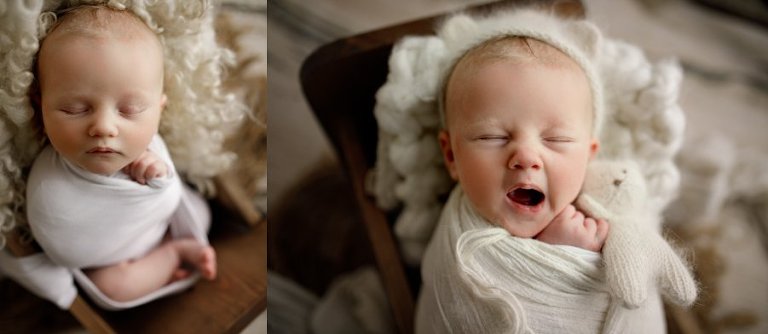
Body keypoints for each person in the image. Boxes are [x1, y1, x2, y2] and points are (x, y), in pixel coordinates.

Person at [26, 5, 216, 303]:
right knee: (113, 287)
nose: (103, 127)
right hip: (110, 261)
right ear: (40, 106)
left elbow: (170, 197)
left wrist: (159, 175)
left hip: (155, 224)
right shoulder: (48, 187)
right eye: (74, 109)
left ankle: (170, 243)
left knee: (201, 213)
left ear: (159, 109)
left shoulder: (149, 143)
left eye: (130, 110)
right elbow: (64, 248)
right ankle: (172, 254)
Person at [438, 35, 609, 254]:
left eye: (556, 139)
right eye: (492, 137)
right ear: (451, 155)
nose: (526, 157)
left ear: (588, 156)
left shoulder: (609, 216)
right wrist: (560, 253)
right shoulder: (461, 242)